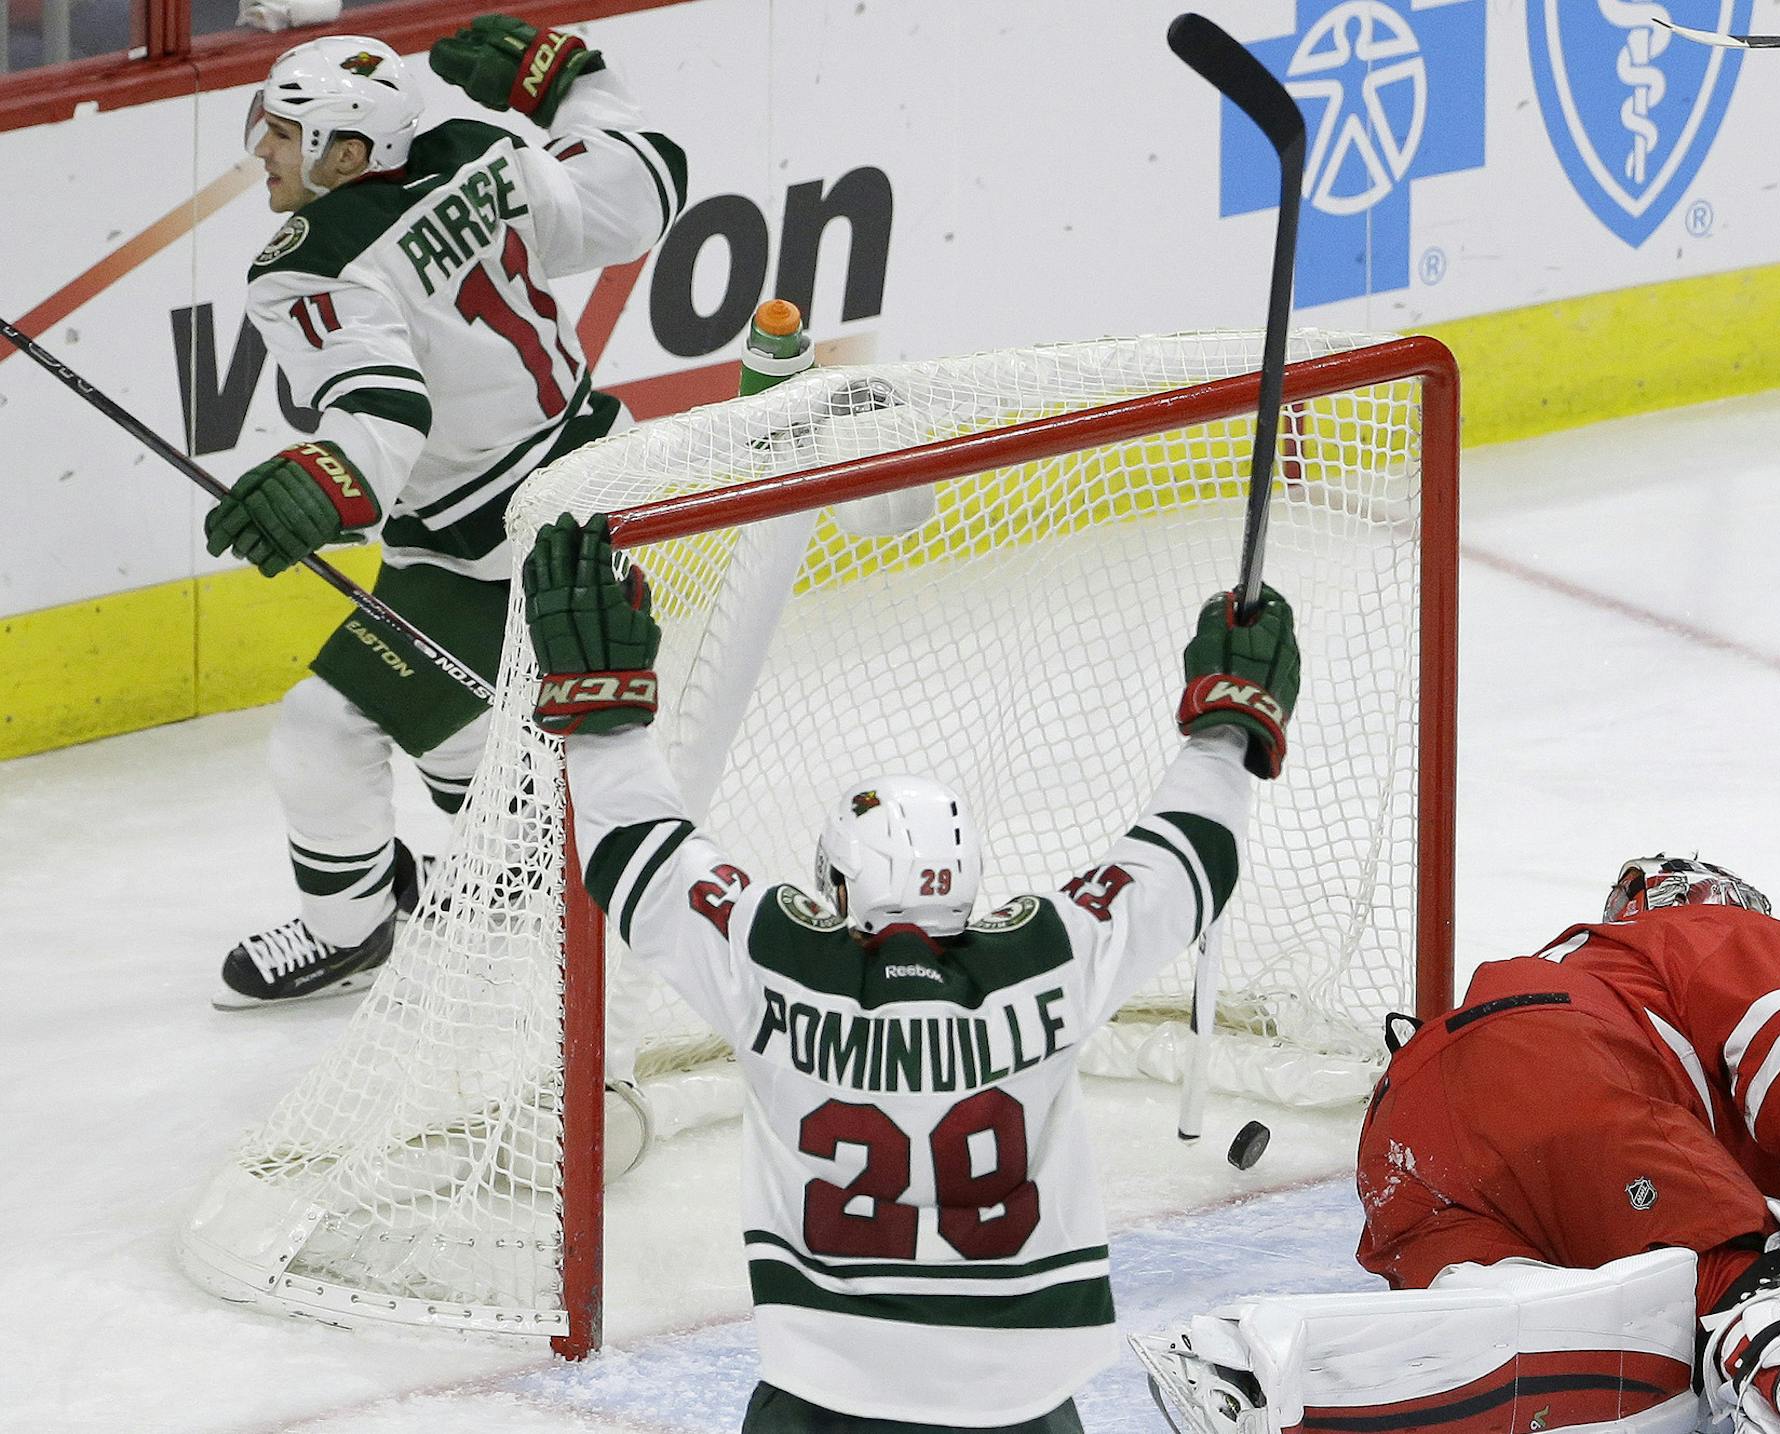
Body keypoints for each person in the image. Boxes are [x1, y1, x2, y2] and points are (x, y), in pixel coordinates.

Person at [525, 513, 1302, 1433]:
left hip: (825, 1392)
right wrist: (1227, 726)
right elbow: (1184, 862)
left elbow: (637, 853)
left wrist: (605, 720)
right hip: (1024, 1400)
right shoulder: (1046, 959)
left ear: (842, 883)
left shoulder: (776, 961)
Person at [1134, 857, 1780, 1434]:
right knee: (1740, 1282)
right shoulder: (1699, 928)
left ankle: (1259, 1367)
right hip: (1549, 1068)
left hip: (1402, 1141)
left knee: (1551, 1331)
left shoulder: (1583, 965)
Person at [206, 21, 686, 1007]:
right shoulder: (482, 152)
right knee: (452, 733)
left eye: (284, 131)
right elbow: (641, 188)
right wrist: (574, 84)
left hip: (497, 540)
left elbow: (384, 410)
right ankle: (500, 843)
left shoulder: (312, 261)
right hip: (593, 477)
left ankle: (355, 929)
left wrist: (322, 479)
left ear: (347, 153)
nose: (263, 148)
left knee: (325, 728)